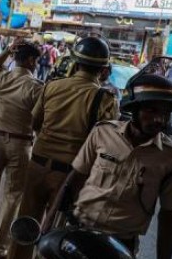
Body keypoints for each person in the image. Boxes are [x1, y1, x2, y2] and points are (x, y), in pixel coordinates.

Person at [42, 73, 172, 257]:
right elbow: (75, 177)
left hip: (121, 245)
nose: (159, 119)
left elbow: (168, 215)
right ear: (134, 109)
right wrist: (49, 221)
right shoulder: (102, 133)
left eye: (165, 113)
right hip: (77, 231)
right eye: (151, 111)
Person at [8, 36, 120, 259]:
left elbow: (35, 123)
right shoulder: (105, 98)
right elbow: (104, 143)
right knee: (56, 234)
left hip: (37, 166)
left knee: (26, 226)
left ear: (75, 63)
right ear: (103, 70)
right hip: (70, 176)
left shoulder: (52, 86)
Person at [0, 40, 43, 259]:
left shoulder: (1, 77)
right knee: (13, 195)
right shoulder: (36, 87)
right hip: (20, 144)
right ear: (31, 60)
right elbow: (40, 120)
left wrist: (8, 49)